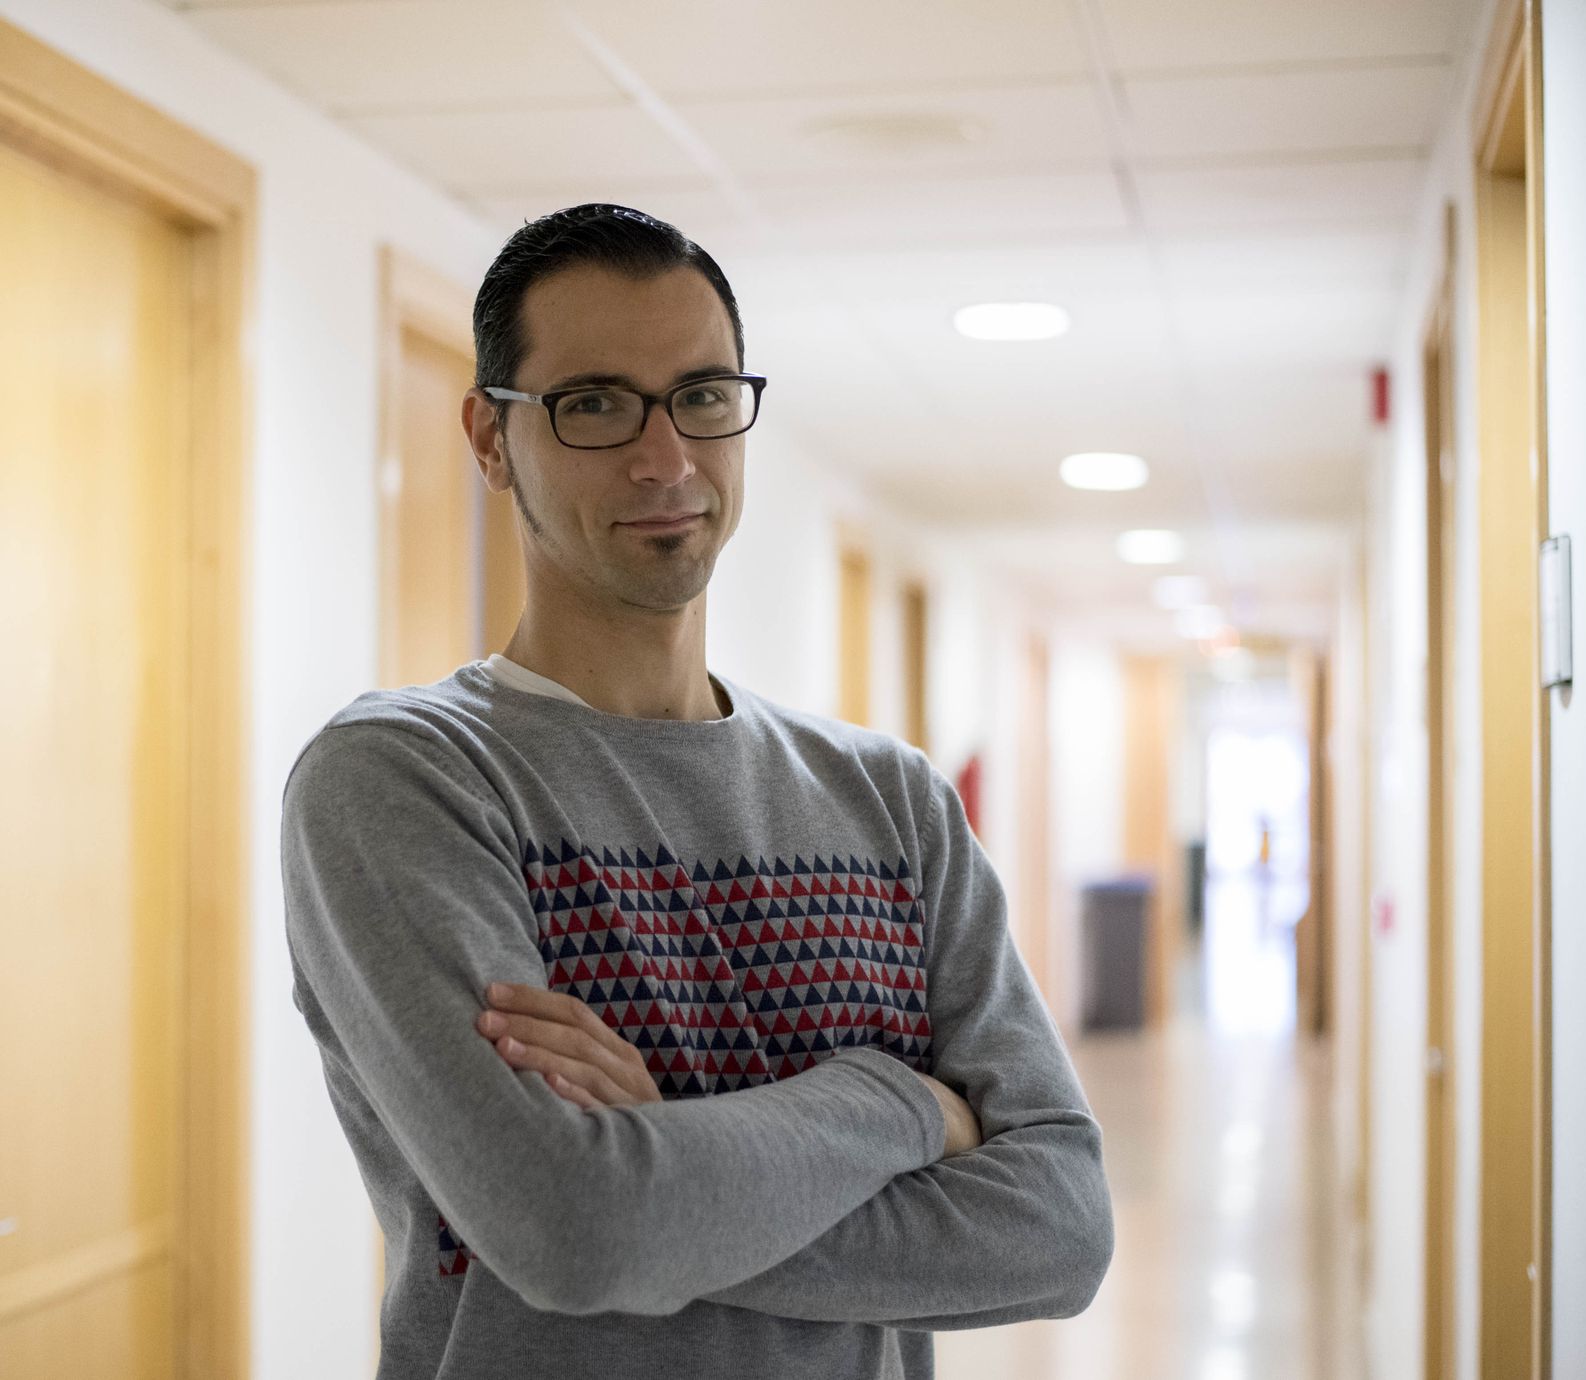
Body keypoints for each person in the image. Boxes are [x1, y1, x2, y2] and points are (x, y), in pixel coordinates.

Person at [280, 203, 1113, 1380]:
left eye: (703, 396)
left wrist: (661, 1175)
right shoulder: (406, 781)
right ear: (489, 438)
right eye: (595, 404)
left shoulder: (891, 801)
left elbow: (1060, 1232)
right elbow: (573, 1229)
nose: (666, 458)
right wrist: (899, 1108)